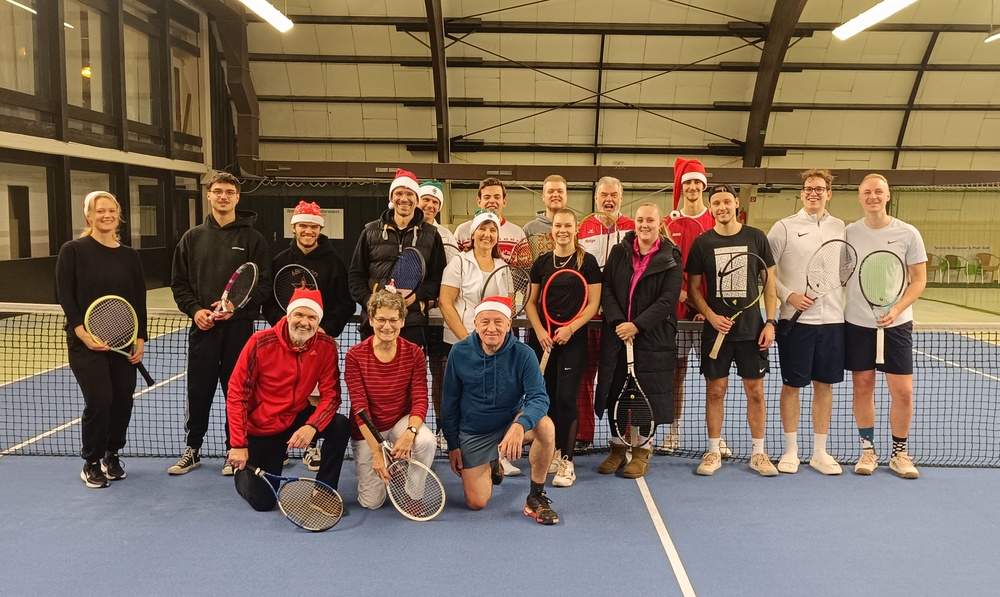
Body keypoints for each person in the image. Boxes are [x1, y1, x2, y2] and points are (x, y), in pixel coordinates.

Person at [169, 171, 271, 476]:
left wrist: (236, 309)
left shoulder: (253, 239)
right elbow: (179, 284)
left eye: (229, 192)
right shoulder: (191, 238)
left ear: (237, 197)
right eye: (217, 191)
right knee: (198, 391)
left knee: (237, 392)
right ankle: (192, 449)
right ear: (209, 195)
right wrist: (195, 311)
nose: (223, 196)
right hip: (203, 331)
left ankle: (234, 449)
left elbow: (263, 285)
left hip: (239, 331)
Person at [227, 289, 351, 509]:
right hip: (262, 426)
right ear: (288, 315)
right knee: (263, 502)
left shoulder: (326, 346)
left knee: (340, 425)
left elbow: (332, 395)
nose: (304, 322)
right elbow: (237, 395)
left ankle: (323, 492)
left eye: (311, 317)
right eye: (299, 315)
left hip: (296, 417)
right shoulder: (259, 343)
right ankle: (242, 469)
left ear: (318, 321)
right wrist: (238, 444)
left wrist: (312, 426)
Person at [686, 184, 779, 477]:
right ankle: (713, 451)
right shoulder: (702, 243)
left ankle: (758, 453)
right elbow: (693, 289)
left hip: (752, 331)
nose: (722, 207)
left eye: (727, 201)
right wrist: (711, 316)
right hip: (716, 332)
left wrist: (771, 322)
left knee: (756, 392)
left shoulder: (757, 237)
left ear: (737, 203)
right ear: (710, 207)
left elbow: (770, 284)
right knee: (715, 391)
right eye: (716, 203)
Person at [441, 296, 559, 525]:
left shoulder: (524, 354)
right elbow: (449, 403)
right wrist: (453, 444)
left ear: (508, 324)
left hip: (510, 424)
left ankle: (536, 497)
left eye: (498, 321)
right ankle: (492, 460)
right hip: (474, 431)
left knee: (545, 426)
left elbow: (539, 398)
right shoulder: (458, 352)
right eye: (485, 322)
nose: (491, 328)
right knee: (477, 502)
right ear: (475, 324)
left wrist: (519, 425)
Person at [56, 191, 147, 488]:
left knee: (122, 400)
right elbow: (65, 294)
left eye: (111, 210)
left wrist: (140, 338)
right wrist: (81, 332)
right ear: (88, 216)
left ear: (118, 215)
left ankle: (112, 454)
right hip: (86, 343)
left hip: (123, 342)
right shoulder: (73, 250)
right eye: (100, 211)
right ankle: (91, 462)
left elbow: (138, 299)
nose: (106, 215)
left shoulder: (130, 256)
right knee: (100, 400)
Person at [262, 200, 355, 471]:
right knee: (282, 391)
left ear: (320, 229)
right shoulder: (279, 261)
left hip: (320, 343)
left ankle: (312, 445)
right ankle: (280, 442)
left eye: (313, 227)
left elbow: (346, 304)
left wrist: (327, 329)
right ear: (294, 227)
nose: (308, 231)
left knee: (316, 396)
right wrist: (282, 325)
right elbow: (268, 303)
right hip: (284, 342)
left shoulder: (334, 263)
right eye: (303, 225)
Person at [845, 174, 927, 479]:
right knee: (863, 387)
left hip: (897, 324)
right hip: (858, 322)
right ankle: (867, 450)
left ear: (888, 195)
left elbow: (919, 280)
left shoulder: (908, 233)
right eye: (867, 192)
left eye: (878, 191)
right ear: (859, 197)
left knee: (903, 392)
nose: (873, 197)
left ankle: (899, 454)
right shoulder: (849, 232)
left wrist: (895, 310)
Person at [767, 169, 847, 475]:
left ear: (829, 193)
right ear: (801, 194)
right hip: (795, 322)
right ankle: (791, 451)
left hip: (833, 321)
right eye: (808, 189)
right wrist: (789, 296)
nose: (814, 193)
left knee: (824, 386)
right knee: (792, 385)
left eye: (819, 189)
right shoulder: (784, 227)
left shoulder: (840, 227)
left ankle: (819, 453)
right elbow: (765, 271)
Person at [594, 203, 683, 479]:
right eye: (640, 220)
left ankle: (642, 450)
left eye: (650, 220)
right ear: (634, 222)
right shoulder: (619, 252)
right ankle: (618, 448)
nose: (644, 225)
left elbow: (668, 299)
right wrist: (619, 323)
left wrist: (637, 325)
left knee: (647, 395)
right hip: (617, 336)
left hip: (652, 338)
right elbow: (607, 288)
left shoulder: (671, 256)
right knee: (614, 390)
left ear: (659, 223)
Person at [438, 210, 522, 477]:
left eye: (493, 230)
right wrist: (468, 340)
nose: (487, 234)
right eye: (482, 229)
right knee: (466, 400)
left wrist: (492, 338)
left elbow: (508, 305)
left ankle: (499, 454)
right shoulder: (458, 264)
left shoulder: (503, 267)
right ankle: (466, 448)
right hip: (461, 344)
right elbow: (445, 302)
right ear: (473, 234)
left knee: (497, 397)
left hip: (495, 345)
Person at [659, 158, 731, 458]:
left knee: (714, 377)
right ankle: (673, 431)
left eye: (696, 182)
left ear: (703, 186)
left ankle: (718, 437)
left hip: (708, 314)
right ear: (681, 186)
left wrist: (707, 307)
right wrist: (679, 293)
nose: (691, 187)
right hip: (676, 313)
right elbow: (662, 266)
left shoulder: (715, 220)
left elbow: (721, 270)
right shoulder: (668, 223)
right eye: (686, 182)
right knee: (676, 374)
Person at [524, 209, 602, 486]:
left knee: (567, 399)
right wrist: (540, 331)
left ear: (576, 228)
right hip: (543, 340)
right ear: (552, 230)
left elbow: (593, 303)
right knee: (547, 399)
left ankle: (567, 462)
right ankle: (554, 452)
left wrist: (571, 328)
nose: (563, 230)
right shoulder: (542, 262)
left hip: (573, 340)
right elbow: (531, 302)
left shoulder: (587, 262)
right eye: (558, 226)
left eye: (568, 226)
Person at [345, 291, 437, 509]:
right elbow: (359, 408)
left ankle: (413, 496)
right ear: (371, 320)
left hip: (399, 422)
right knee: (372, 503)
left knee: (426, 442)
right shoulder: (354, 356)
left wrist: (410, 433)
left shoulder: (414, 353)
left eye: (393, 320)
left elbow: (420, 398)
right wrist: (376, 452)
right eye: (381, 320)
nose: (387, 326)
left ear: (402, 321)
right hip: (368, 429)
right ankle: (392, 463)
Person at [348, 168, 446, 351]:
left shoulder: (432, 235)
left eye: (409, 194)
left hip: (413, 322)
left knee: (409, 370)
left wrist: (416, 297)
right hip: (374, 322)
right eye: (399, 193)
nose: (404, 198)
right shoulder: (370, 231)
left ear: (416, 199)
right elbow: (355, 276)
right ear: (391, 197)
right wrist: (372, 302)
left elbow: (437, 278)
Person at [575, 176, 635, 454]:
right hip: (588, 318)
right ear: (596, 198)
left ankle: (625, 434)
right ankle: (583, 434)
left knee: (621, 377)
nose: (608, 200)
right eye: (604, 195)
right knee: (584, 376)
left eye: (613, 195)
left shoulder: (633, 228)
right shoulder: (583, 228)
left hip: (619, 319)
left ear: (621, 198)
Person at [418, 181, 460, 452]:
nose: (430, 205)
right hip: (410, 318)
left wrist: (434, 300)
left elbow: (451, 273)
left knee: (440, 374)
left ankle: (443, 428)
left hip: (437, 318)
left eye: (435, 202)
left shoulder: (447, 235)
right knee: (409, 374)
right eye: (426, 200)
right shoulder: (406, 231)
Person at [453, 177, 526, 261]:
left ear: (504, 202)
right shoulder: (461, 231)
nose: (492, 201)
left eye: (497, 197)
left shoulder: (518, 234)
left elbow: (525, 267)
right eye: (487, 197)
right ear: (479, 201)